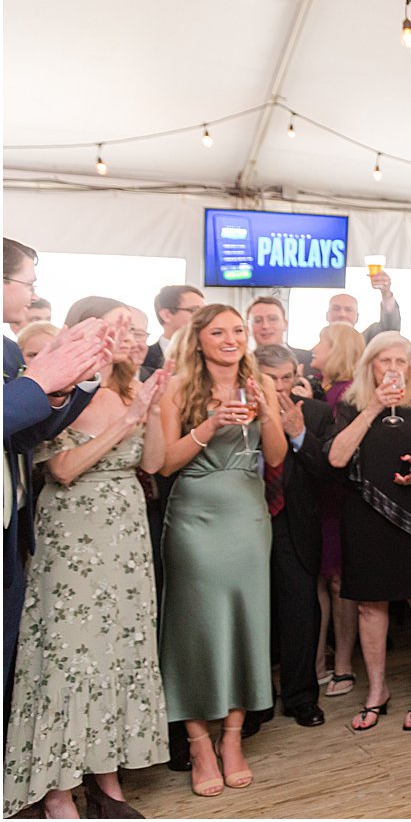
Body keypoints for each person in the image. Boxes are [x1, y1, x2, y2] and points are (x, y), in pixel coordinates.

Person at [4, 299, 171, 820]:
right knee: (69, 657)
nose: (138, 338)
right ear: (91, 331)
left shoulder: (130, 387)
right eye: (127, 328)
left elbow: (154, 463)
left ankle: (106, 779)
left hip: (126, 537)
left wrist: (152, 408)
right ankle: (55, 790)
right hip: (74, 537)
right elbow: (64, 469)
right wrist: (129, 421)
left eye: (142, 330)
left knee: (118, 654)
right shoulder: (63, 393)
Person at [157, 304, 286, 797]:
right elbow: (165, 464)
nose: (231, 339)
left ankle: (232, 738)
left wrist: (268, 410)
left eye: (238, 330)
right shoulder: (175, 389)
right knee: (195, 625)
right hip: (194, 517)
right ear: (199, 339)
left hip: (248, 518)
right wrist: (209, 424)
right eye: (219, 332)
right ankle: (198, 742)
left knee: (245, 620)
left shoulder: (260, 385)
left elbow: (273, 457)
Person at [326, 332, 411, 734]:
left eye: (402, 362)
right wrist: (372, 408)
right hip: (367, 514)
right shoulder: (352, 403)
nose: (394, 370)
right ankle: (376, 691)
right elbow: (336, 457)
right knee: (370, 605)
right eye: (385, 362)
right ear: (370, 365)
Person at [3, 239, 108, 705]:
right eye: (29, 281)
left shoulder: (7, 350)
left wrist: (69, 384)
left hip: (9, 529)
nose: (33, 294)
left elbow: (25, 435)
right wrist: (37, 383)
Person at [254, 344, 335, 730]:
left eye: (288, 377)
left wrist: (299, 434)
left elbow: (329, 473)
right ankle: (253, 703)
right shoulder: (237, 411)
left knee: (301, 611)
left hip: (294, 522)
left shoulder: (316, 413)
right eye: (272, 379)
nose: (282, 386)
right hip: (243, 519)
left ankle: (301, 697)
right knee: (250, 614)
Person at [308, 323, 365, 696]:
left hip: (339, 499)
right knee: (321, 583)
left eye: (320, 341)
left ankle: (342, 664)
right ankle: (319, 664)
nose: (313, 348)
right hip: (315, 499)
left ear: (337, 350)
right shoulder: (319, 389)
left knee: (339, 583)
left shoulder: (346, 396)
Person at [324, 267, 401, 343]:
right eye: (336, 309)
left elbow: (390, 329)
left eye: (348, 310)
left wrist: (386, 293)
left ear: (357, 317)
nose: (342, 314)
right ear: (327, 315)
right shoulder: (314, 352)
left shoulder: (365, 342)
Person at [141, 285, 204, 376]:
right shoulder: (142, 359)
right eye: (195, 310)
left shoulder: (209, 357)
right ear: (166, 315)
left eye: (203, 311)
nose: (202, 317)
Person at [248, 297, 313, 370]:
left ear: (285, 324)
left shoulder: (310, 360)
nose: (265, 326)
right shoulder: (242, 364)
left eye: (273, 319)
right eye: (257, 320)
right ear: (248, 328)